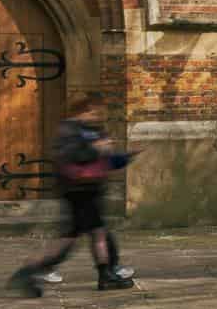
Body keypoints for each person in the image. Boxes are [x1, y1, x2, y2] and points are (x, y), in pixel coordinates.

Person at [9, 95, 134, 295]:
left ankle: (27, 274)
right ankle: (105, 275)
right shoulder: (69, 130)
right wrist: (95, 149)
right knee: (95, 233)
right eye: (91, 111)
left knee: (72, 237)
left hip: (91, 190)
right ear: (80, 111)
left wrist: (123, 158)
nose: (95, 115)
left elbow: (104, 161)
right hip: (77, 191)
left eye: (97, 112)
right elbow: (72, 157)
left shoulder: (93, 131)